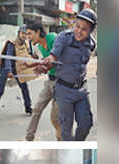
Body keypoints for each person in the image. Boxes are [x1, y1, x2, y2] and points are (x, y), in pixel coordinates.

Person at [36, 9, 97, 141]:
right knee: (66, 131)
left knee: (86, 124)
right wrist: (46, 64)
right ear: (74, 24)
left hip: (81, 91)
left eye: (84, 29)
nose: (79, 31)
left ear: (90, 31)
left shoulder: (91, 44)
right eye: (77, 26)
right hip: (64, 91)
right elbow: (53, 56)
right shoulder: (63, 38)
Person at [25, 23, 61, 141]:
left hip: (61, 84)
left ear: (38, 32)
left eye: (30, 33)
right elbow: (45, 62)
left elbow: (57, 59)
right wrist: (32, 64)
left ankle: (62, 139)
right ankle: (29, 137)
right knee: (37, 108)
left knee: (55, 118)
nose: (27, 37)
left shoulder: (52, 38)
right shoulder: (39, 47)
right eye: (26, 34)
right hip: (50, 82)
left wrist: (45, 68)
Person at [0, 25, 34, 117]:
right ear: (19, 33)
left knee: (24, 87)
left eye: (26, 34)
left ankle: (28, 107)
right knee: (0, 89)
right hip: (7, 68)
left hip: (18, 69)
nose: (24, 36)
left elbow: (27, 55)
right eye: (23, 33)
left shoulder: (25, 44)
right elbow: (8, 59)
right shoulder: (12, 44)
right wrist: (9, 71)